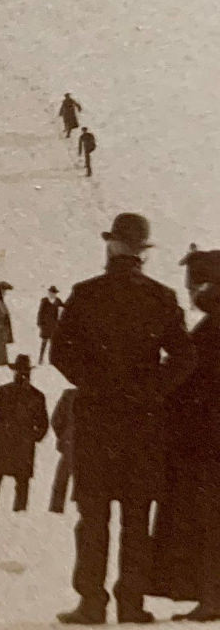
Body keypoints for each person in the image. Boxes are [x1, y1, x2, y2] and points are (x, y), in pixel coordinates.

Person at [50, 213, 196, 625]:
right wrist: (151, 390)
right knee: (136, 517)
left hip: (97, 422)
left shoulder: (85, 294)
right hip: (143, 425)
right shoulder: (162, 298)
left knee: (93, 518)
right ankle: (131, 604)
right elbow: (185, 357)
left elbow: (61, 353)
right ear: (142, 253)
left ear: (112, 246)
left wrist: (94, 385)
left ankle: (91, 603)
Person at [149, 248, 220, 622]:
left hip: (206, 445)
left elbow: (191, 390)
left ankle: (212, 599)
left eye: (193, 284)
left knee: (209, 523)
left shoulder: (208, 332)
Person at [0, 355, 48, 512]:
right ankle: (11, 511)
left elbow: (43, 423)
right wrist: (32, 436)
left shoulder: (12, 392)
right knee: (11, 480)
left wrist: (1, 432)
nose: (23, 375)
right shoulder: (32, 394)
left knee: (6, 479)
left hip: (13, 441)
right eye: (22, 371)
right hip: (17, 442)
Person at [49, 388, 77, 514]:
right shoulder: (100, 395)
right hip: (88, 446)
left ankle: (56, 508)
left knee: (62, 477)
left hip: (70, 443)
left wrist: (64, 436)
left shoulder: (69, 394)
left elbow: (56, 420)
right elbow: (56, 420)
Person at [39, 287, 65, 363]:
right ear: (49, 293)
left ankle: (51, 359)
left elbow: (64, 307)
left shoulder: (58, 301)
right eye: (51, 293)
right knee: (44, 342)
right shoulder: (44, 301)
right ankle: (41, 358)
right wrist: (40, 323)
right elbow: (40, 312)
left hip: (54, 325)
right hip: (45, 325)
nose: (52, 294)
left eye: (54, 293)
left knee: (53, 343)